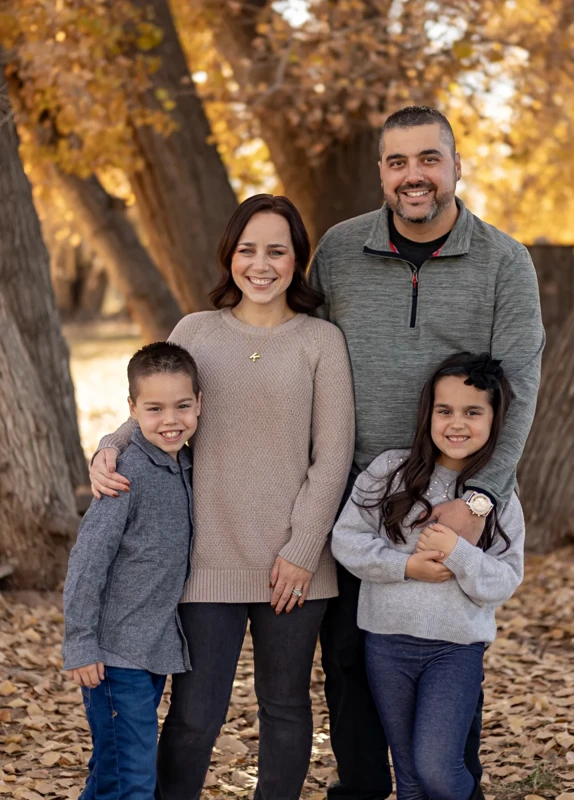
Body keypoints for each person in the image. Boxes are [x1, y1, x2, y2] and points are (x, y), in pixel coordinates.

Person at [311, 106, 544, 799]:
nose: (414, 176)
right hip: (360, 491)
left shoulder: (506, 261)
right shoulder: (339, 250)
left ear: (455, 165)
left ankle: (448, 786)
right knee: (350, 663)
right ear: (382, 172)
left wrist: (480, 498)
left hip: (454, 492)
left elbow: (521, 384)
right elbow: (296, 355)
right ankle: (361, 790)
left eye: (428, 159)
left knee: (450, 658)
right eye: (397, 162)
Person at [89, 194, 355, 800]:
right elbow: (159, 407)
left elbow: (332, 456)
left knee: (285, 708)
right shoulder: (197, 331)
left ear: (297, 260)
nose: (261, 265)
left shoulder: (321, 342)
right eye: (247, 250)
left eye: (277, 251)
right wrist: (109, 445)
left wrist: (304, 549)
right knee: (194, 715)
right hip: (207, 559)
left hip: (295, 566)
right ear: (229, 256)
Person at [331, 352, 525, 800]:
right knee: (411, 779)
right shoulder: (389, 472)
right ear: (428, 414)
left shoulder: (497, 496)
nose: (457, 424)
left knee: (437, 767)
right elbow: (347, 540)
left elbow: (506, 577)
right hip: (386, 642)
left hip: (454, 650)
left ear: (495, 420)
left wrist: (459, 553)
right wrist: (405, 566)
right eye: (445, 411)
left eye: (473, 412)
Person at [62, 341, 201, 800]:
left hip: (148, 651)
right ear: (132, 409)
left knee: (113, 772)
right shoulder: (125, 472)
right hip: (113, 655)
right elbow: (87, 561)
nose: (171, 420)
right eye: (154, 408)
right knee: (132, 783)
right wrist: (81, 642)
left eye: (183, 406)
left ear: (199, 403)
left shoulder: (185, 462)